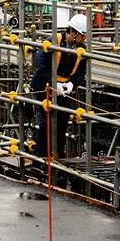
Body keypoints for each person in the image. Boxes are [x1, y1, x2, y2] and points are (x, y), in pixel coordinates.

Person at [30, 13, 89, 157]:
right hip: (44, 88)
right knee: (47, 123)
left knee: (62, 122)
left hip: (63, 91)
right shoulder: (52, 43)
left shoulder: (81, 50)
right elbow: (41, 68)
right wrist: (52, 84)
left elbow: (80, 73)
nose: (84, 38)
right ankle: (42, 157)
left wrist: (71, 85)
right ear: (73, 32)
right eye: (83, 35)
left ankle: (58, 156)